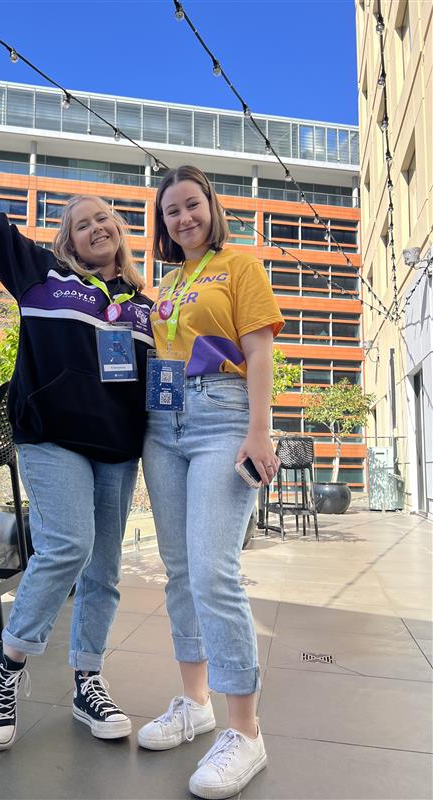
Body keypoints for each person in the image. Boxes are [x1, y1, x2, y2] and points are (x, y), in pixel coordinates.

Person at [0, 156, 154, 750]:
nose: (96, 228)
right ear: (67, 240)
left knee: (104, 570)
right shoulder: (42, 275)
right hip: (51, 436)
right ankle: (10, 658)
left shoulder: (146, 307)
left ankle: (88, 681)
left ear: (119, 231)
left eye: (104, 219)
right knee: (68, 544)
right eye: (81, 224)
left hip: (117, 448)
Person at [138, 165, 284, 799]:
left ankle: (245, 731)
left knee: (212, 570)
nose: (183, 218)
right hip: (162, 423)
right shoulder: (168, 282)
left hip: (223, 417)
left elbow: (259, 351)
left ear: (211, 207)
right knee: (178, 569)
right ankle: (195, 703)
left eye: (191, 204)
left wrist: (260, 430)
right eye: (171, 210)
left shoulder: (239, 267)